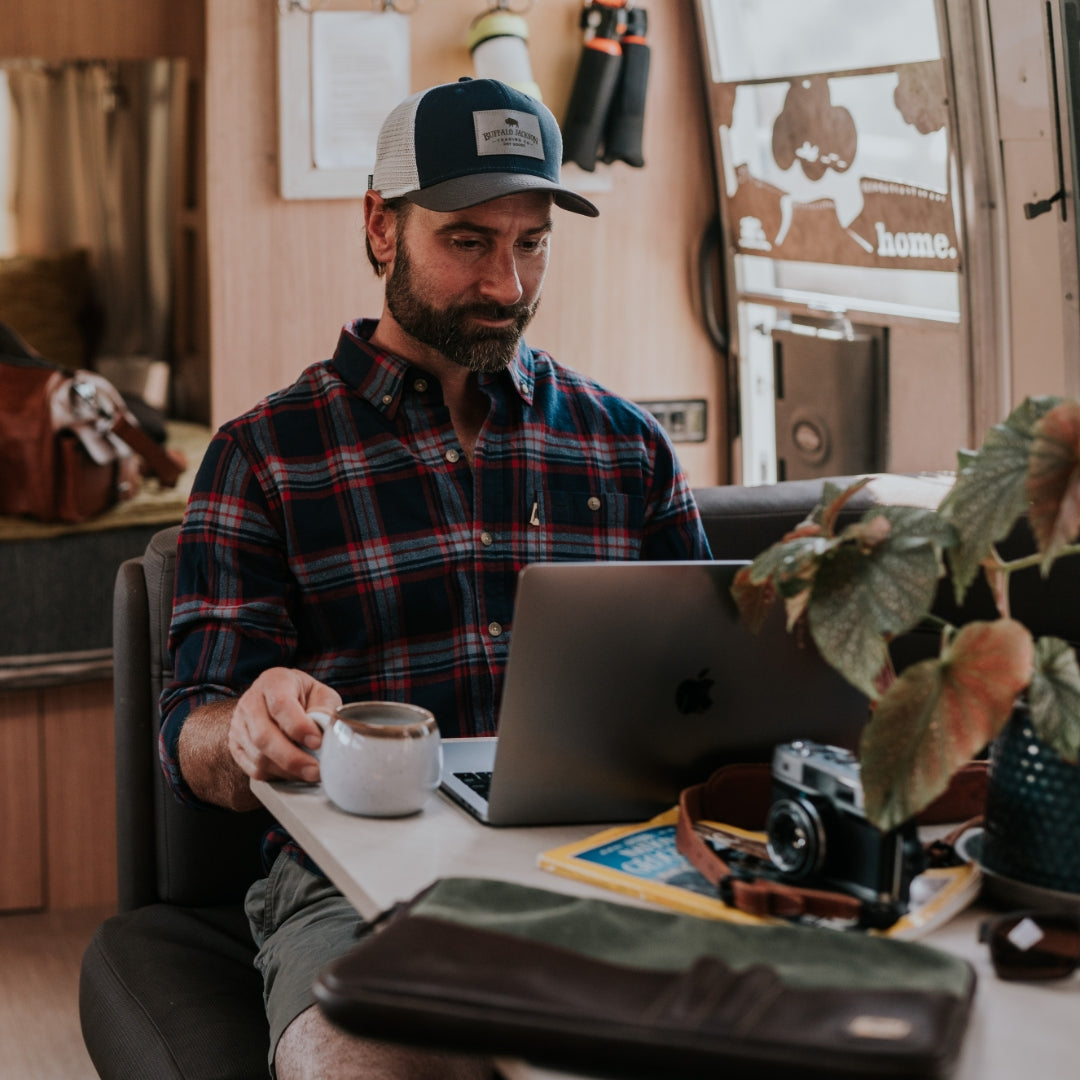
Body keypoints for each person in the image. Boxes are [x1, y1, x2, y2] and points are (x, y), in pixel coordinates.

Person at [159, 77, 711, 1079]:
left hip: (604, 864)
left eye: (532, 242)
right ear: (381, 226)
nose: (507, 283)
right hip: (348, 884)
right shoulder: (265, 455)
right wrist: (245, 724)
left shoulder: (625, 450)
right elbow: (191, 733)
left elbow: (715, 692)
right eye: (468, 241)